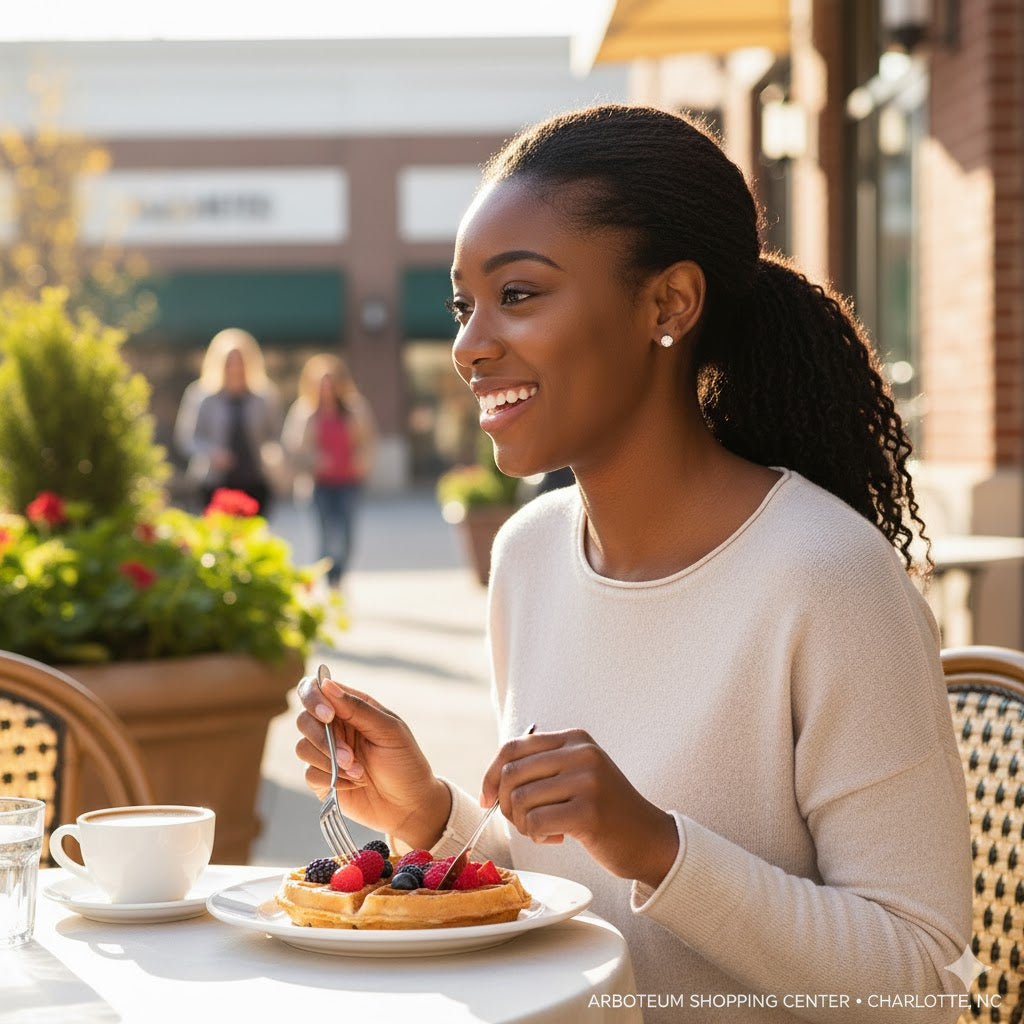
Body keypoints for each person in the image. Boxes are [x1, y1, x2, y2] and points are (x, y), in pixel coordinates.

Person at [293, 106, 971, 1021]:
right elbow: (578, 910)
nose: (468, 345)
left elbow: (922, 985)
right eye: (463, 306)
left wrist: (657, 845)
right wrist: (428, 818)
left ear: (668, 305)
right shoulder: (529, 556)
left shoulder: (829, 576)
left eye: (517, 294)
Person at [282, 353, 376, 586]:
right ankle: (329, 579)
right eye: (321, 383)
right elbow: (292, 448)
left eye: (330, 383)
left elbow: (369, 441)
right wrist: (314, 460)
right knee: (325, 536)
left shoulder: (355, 409)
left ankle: (339, 574)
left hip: (348, 482)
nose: (326, 389)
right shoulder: (304, 412)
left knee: (345, 536)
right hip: (318, 484)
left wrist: (362, 461)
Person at [174, 327, 281, 515]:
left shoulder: (264, 396)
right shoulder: (201, 396)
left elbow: (277, 435)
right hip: (214, 482)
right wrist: (212, 453)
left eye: (240, 362)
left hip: (255, 480)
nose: (235, 368)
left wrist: (271, 454)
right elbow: (187, 438)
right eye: (230, 362)